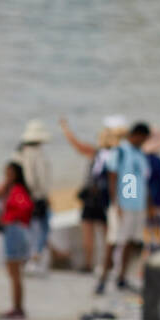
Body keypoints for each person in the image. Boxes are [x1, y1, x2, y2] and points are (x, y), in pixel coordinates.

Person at [61, 115, 125, 273]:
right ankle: (107, 263)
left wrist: (65, 129)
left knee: (89, 232)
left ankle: (90, 264)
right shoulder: (120, 155)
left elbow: (77, 145)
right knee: (107, 234)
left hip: (92, 198)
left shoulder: (95, 153)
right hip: (108, 199)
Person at [96, 121, 151, 296]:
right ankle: (103, 279)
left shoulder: (141, 154)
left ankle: (121, 277)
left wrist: (148, 205)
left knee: (130, 241)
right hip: (122, 204)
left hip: (137, 205)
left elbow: (144, 181)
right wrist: (115, 202)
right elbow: (113, 176)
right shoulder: (120, 151)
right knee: (113, 241)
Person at [0, 159, 34, 320]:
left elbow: (25, 207)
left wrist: (11, 217)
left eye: (9, 173)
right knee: (14, 273)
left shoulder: (17, 190)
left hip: (15, 230)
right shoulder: (11, 189)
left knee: (14, 273)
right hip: (13, 230)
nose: (7, 176)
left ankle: (17, 308)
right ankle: (17, 307)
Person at [16, 119, 55, 273]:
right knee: (41, 229)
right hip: (37, 197)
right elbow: (35, 179)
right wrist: (41, 193)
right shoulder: (37, 154)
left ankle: (30, 259)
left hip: (24, 197)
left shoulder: (21, 153)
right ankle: (34, 258)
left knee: (31, 228)